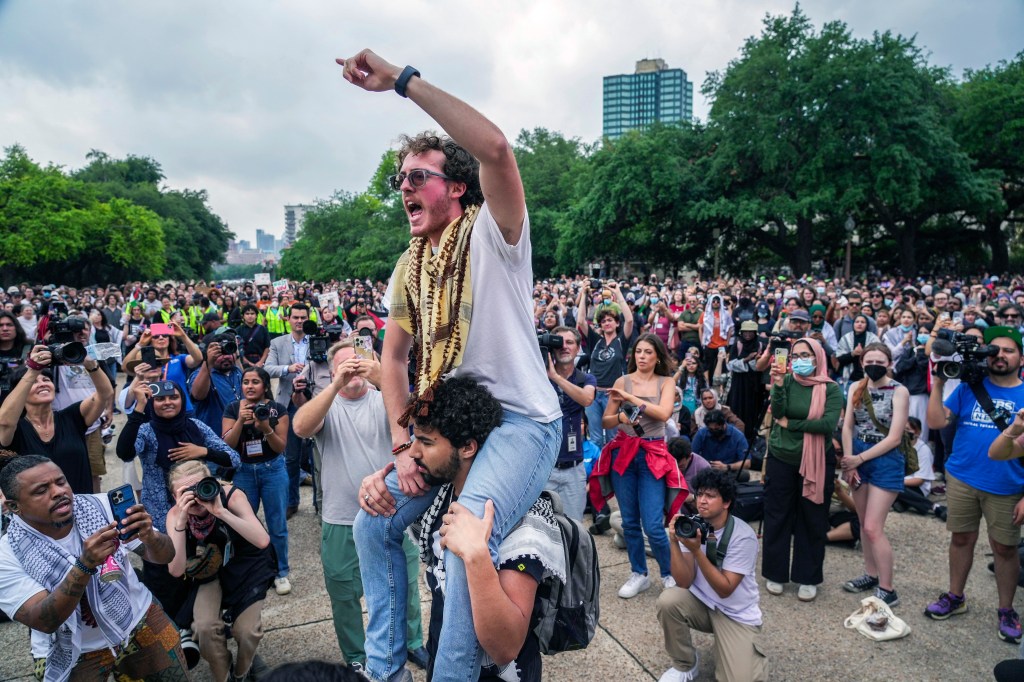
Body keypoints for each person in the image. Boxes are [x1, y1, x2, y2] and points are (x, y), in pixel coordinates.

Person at [339, 48, 561, 682]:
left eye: (419, 176)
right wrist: (404, 443)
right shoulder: (410, 264)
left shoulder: (495, 234)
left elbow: (495, 147)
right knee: (371, 523)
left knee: (468, 540)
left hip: (520, 424)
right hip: (445, 425)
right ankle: (383, 671)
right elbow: (394, 356)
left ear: (456, 186)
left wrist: (401, 83)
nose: (404, 186)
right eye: (399, 179)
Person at [361, 376, 563, 681]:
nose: (413, 452)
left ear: (467, 447)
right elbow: (384, 525)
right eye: (414, 438)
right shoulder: (438, 497)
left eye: (426, 442)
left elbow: (506, 646)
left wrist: (478, 557)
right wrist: (379, 484)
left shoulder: (523, 521)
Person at [292, 339, 428, 674]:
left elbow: (419, 416)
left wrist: (384, 377)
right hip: (340, 517)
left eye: (358, 361)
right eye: (343, 364)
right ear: (331, 371)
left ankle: (412, 643)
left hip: (392, 512)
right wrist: (335, 384)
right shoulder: (327, 405)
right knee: (344, 594)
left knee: (406, 585)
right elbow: (300, 427)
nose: (353, 368)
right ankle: (356, 655)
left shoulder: (385, 399)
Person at [0, 455, 187, 681]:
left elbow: (166, 556)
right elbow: (43, 620)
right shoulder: (7, 554)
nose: (58, 492)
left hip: (139, 619)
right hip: (75, 652)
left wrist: (150, 537)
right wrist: (84, 565)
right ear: (13, 507)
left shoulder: (102, 507)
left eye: (61, 482)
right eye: (41, 490)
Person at [115, 378, 240, 633]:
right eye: (159, 399)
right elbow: (125, 452)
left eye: (173, 397)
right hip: (162, 521)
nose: (167, 402)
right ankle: (172, 633)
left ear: (182, 400)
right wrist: (139, 409)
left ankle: (197, 629)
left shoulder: (195, 426)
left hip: (199, 517)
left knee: (200, 574)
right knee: (164, 581)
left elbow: (234, 459)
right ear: (152, 402)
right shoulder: (148, 431)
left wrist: (201, 451)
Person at [932, 327, 1024, 642]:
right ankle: (955, 597)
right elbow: (935, 422)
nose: (1000, 355)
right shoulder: (969, 388)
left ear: (1021, 358)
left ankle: (1006, 609)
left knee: (1005, 548)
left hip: (1008, 485)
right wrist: (938, 382)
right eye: (994, 349)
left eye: (1009, 350)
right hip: (962, 476)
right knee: (961, 539)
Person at [591, 333, 686, 598]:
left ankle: (668, 573)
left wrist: (631, 400)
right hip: (624, 453)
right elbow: (606, 421)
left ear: (658, 357)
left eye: (648, 352)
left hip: (652, 454)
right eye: (638, 352)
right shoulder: (622, 381)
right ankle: (639, 573)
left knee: (654, 524)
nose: (642, 357)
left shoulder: (665, 382)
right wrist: (620, 414)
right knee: (630, 521)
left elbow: (664, 414)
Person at [166, 460, 276, 682]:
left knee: (247, 631)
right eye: (186, 492)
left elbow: (263, 540)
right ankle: (223, 675)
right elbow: (176, 570)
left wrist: (220, 511)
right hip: (210, 572)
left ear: (212, 483)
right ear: (175, 496)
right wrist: (181, 520)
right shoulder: (175, 515)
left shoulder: (231, 497)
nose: (195, 497)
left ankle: (242, 673)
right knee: (204, 629)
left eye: (200, 487)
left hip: (246, 566)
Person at [657, 468, 768, 682]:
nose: (702, 501)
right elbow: (683, 581)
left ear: (726, 502)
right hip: (703, 604)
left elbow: (725, 589)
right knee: (668, 601)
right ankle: (685, 664)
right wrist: (674, 541)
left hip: (735, 613)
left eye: (710, 496)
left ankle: (741, 650)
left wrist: (697, 550)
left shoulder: (743, 537)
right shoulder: (693, 525)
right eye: (699, 494)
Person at [761, 337, 843, 602]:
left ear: (817, 357)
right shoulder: (786, 381)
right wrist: (778, 385)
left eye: (805, 355)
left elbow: (827, 425)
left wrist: (791, 425)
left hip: (817, 459)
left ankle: (807, 576)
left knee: (812, 517)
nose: (799, 361)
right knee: (778, 515)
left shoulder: (830, 389)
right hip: (781, 457)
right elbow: (779, 412)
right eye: (795, 356)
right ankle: (775, 572)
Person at [839, 343, 909, 607]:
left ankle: (888, 588)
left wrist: (859, 459)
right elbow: (847, 426)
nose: (874, 365)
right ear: (862, 363)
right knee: (862, 519)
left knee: (872, 526)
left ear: (889, 363)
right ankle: (870, 574)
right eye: (870, 360)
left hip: (885, 459)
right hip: (857, 454)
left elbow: (895, 438)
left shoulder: (899, 391)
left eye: (880, 361)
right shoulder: (856, 387)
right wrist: (849, 461)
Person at [0, 345, 112, 494]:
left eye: (46, 379)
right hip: (36, 514)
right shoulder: (15, 428)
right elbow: (4, 421)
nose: (42, 383)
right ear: (21, 392)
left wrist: (90, 364)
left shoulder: (72, 416)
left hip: (79, 507)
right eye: (34, 382)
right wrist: (33, 369)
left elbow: (104, 394)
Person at [222, 367, 292, 596]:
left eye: (255, 382)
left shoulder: (278, 410)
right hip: (242, 470)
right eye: (245, 382)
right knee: (243, 525)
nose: (250, 386)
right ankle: (250, 570)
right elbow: (227, 445)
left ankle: (281, 572)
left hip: (272, 470)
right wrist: (241, 421)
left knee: (277, 525)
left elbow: (280, 447)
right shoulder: (232, 409)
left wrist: (265, 428)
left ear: (264, 386)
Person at [265, 302, 314, 519]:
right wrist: (288, 369)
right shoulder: (277, 342)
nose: (300, 321)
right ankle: (292, 502)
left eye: (303, 317)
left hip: (315, 401)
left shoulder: (316, 340)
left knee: (319, 456)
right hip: (288, 404)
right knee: (291, 458)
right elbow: (267, 369)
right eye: (296, 317)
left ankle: (319, 504)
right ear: (288, 319)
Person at [544, 325, 596, 521]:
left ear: (577, 348)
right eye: (559, 342)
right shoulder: (538, 376)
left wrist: (555, 378)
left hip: (574, 467)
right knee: (543, 526)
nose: (564, 347)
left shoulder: (585, 378)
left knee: (574, 527)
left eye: (570, 342)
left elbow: (587, 399)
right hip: (545, 466)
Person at [577, 285, 635, 450]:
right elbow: (581, 321)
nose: (606, 323)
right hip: (593, 395)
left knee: (612, 439)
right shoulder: (595, 341)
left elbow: (629, 320)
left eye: (610, 320)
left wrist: (618, 293)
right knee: (595, 439)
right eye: (603, 321)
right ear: (600, 325)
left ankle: (612, 474)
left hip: (613, 395)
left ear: (617, 323)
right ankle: (596, 473)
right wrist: (583, 294)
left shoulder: (621, 341)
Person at [121, 320, 204, 414]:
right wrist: (141, 344)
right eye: (156, 336)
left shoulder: (179, 358)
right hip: (156, 411)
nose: (161, 337)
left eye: (165, 335)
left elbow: (198, 358)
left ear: (169, 339)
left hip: (183, 409)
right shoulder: (144, 362)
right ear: (150, 340)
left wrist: (183, 336)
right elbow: (125, 368)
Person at [189, 337, 244, 435]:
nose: (225, 357)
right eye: (219, 354)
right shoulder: (200, 374)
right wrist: (208, 362)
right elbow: (198, 395)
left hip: (240, 433)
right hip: (214, 435)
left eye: (228, 352)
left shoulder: (237, 371)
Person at [725, 321, 766, 444]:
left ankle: (750, 438)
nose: (747, 334)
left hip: (754, 385)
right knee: (737, 408)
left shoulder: (760, 345)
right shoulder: (737, 345)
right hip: (739, 384)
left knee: (753, 410)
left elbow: (759, 367)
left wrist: (756, 360)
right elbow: (730, 365)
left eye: (750, 332)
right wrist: (747, 359)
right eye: (745, 332)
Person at [691, 410, 751, 480]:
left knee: (744, 475)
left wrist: (727, 467)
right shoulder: (701, 434)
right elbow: (692, 456)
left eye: (717, 429)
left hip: (728, 470)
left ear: (724, 424)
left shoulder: (737, 435)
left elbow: (747, 463)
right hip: (707, 469)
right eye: (711, 429)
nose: (714, 431)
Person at [237, 303, 272, 369]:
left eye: (252, 313)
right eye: (247, 314)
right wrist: (247, 362)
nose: (250, 316)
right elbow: (237, 348)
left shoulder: (263, 329)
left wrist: (261, 362)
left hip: (260, 362)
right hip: (244, 363)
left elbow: (267, 347)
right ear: (243, 316)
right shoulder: (238, 330)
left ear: (256, 315)